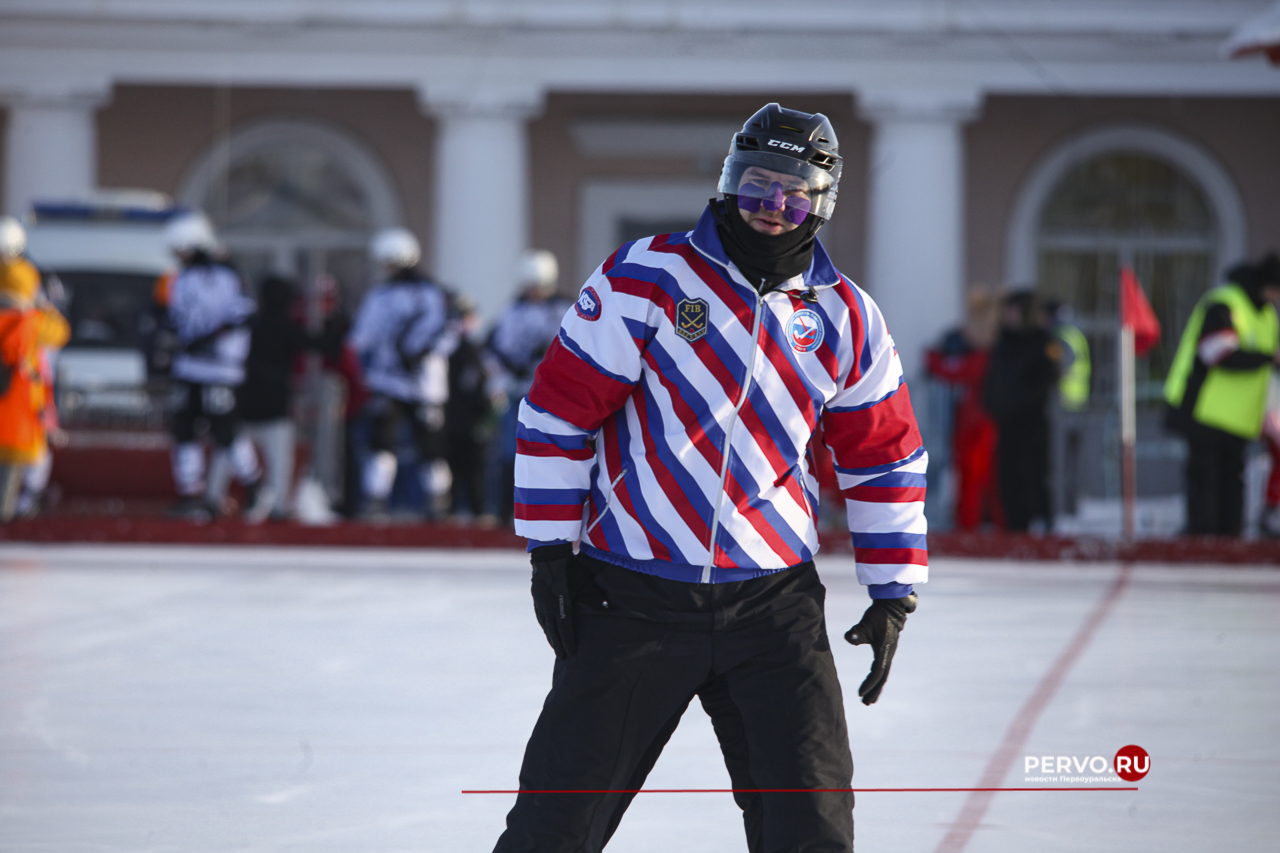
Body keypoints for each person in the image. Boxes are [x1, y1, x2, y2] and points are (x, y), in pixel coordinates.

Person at [494, 104, 927, 853]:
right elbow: (558, 414)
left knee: (812, 829)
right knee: (551, 828)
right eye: (758, 185)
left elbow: (883, 457)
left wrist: (894, 591)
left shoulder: (848, 317)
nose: (773, 207)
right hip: (633, 596)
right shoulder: (647, 276)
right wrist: (549, 549)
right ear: (730, 182)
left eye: (794, 193)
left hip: (773, 606)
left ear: (820, 203)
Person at [1164, 254, 1280, 536]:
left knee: (1230, 481)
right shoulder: (1226, 303)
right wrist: (1268, 358)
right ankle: (1203, 542)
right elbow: (1216, 351)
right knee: (1206, 480)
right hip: (1204, 408)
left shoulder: (1266, 313)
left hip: (1237, 417)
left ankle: (1228, 542)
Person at [162, 212, 262, 519]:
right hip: (189, 366)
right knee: (183, 427)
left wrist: (207, 340)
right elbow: (177, 318)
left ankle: (254, 483)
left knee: (224, 431)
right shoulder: (181, 279)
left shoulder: (227, 277)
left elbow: (242, 315)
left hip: (220, 368)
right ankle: (191, 492)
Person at [347, 227, 452, 518]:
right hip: (397, 381)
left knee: (427, 446)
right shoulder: (431, 293)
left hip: (417, 382)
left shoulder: (417, 295)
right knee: (385, 443)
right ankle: (382, 499)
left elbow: (446, 334)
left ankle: (434, 500)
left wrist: (418, 353)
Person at [236, 275, 338, 522]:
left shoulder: (250, 324)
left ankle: (215, 498)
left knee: (229, 453)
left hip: (245, 403)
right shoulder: (283, 327)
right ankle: (278, 504)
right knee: (278, 460)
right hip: (275, 405)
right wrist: (334, 322)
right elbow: (322, 344)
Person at [485, 249, 569, 522]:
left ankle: (553, 511)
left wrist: (540, 359)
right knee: (510, 452)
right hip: (519, 392)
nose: (534, 292)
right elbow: (493, 345)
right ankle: (504, 511)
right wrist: (508, 365)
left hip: (554, 395)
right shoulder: (512, 310)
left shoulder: (564, 308)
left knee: (553, 453)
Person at [0, 216, 70, 520]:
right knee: (30, 452)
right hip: (23, 392)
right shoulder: (32, 311)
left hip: (19, 387)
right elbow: (58, 332)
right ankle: (25, 502)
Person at [982, 290, 1060, 532]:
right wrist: (994, 405)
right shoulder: (1003, 341)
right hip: (1005, 424)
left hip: (1031, 424)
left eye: (1014, 310)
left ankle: (1040, 526)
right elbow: (992, 380)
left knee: (1034, 477)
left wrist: (1015, 402)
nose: (1008, 316)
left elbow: (1044, 381)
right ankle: (1012, 528)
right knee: (1008, 478)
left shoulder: (1042, 343)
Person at [926, 286, 1002, 530]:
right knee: (983, 481)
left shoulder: (982, 359)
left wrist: (933, 359)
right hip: (976, 423)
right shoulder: (985, 356)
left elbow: (952, 371)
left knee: (974, 480)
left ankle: (971, 527)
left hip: (978, 426)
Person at [1045, 299, 1091, 519]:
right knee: (1072, 464)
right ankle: (1071, 509)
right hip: (1078, 405)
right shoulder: (1075, 333)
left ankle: (1062, 512)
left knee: (1060, 465)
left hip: (1063, 406)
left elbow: (1058, 367)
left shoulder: (1059, 336)